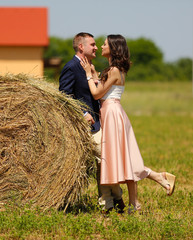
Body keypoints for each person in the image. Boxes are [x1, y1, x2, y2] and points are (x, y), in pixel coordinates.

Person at [80, 34, 176, 212]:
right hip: (114, 112)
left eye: (105, 44)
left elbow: (96, 94)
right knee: (125, 159)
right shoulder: (114, 69)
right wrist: (95, 75)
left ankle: (152, 184)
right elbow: (102, 89)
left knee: (124, 159)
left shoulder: (114, 70)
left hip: (112, 114)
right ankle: (137, 201)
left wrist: (87, 74)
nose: (101, 46)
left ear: (113, 48)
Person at [59, 32, 125, 213]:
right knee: (104, 159)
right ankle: (113, 200)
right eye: (93, 44)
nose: (96, 47)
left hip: (99, 122)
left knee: (103, 162)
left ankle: (112, 202)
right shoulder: (71, 67)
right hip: (85, 125)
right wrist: (82, 113)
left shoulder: (91, 67)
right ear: (81, 47)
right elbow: (63, 95)